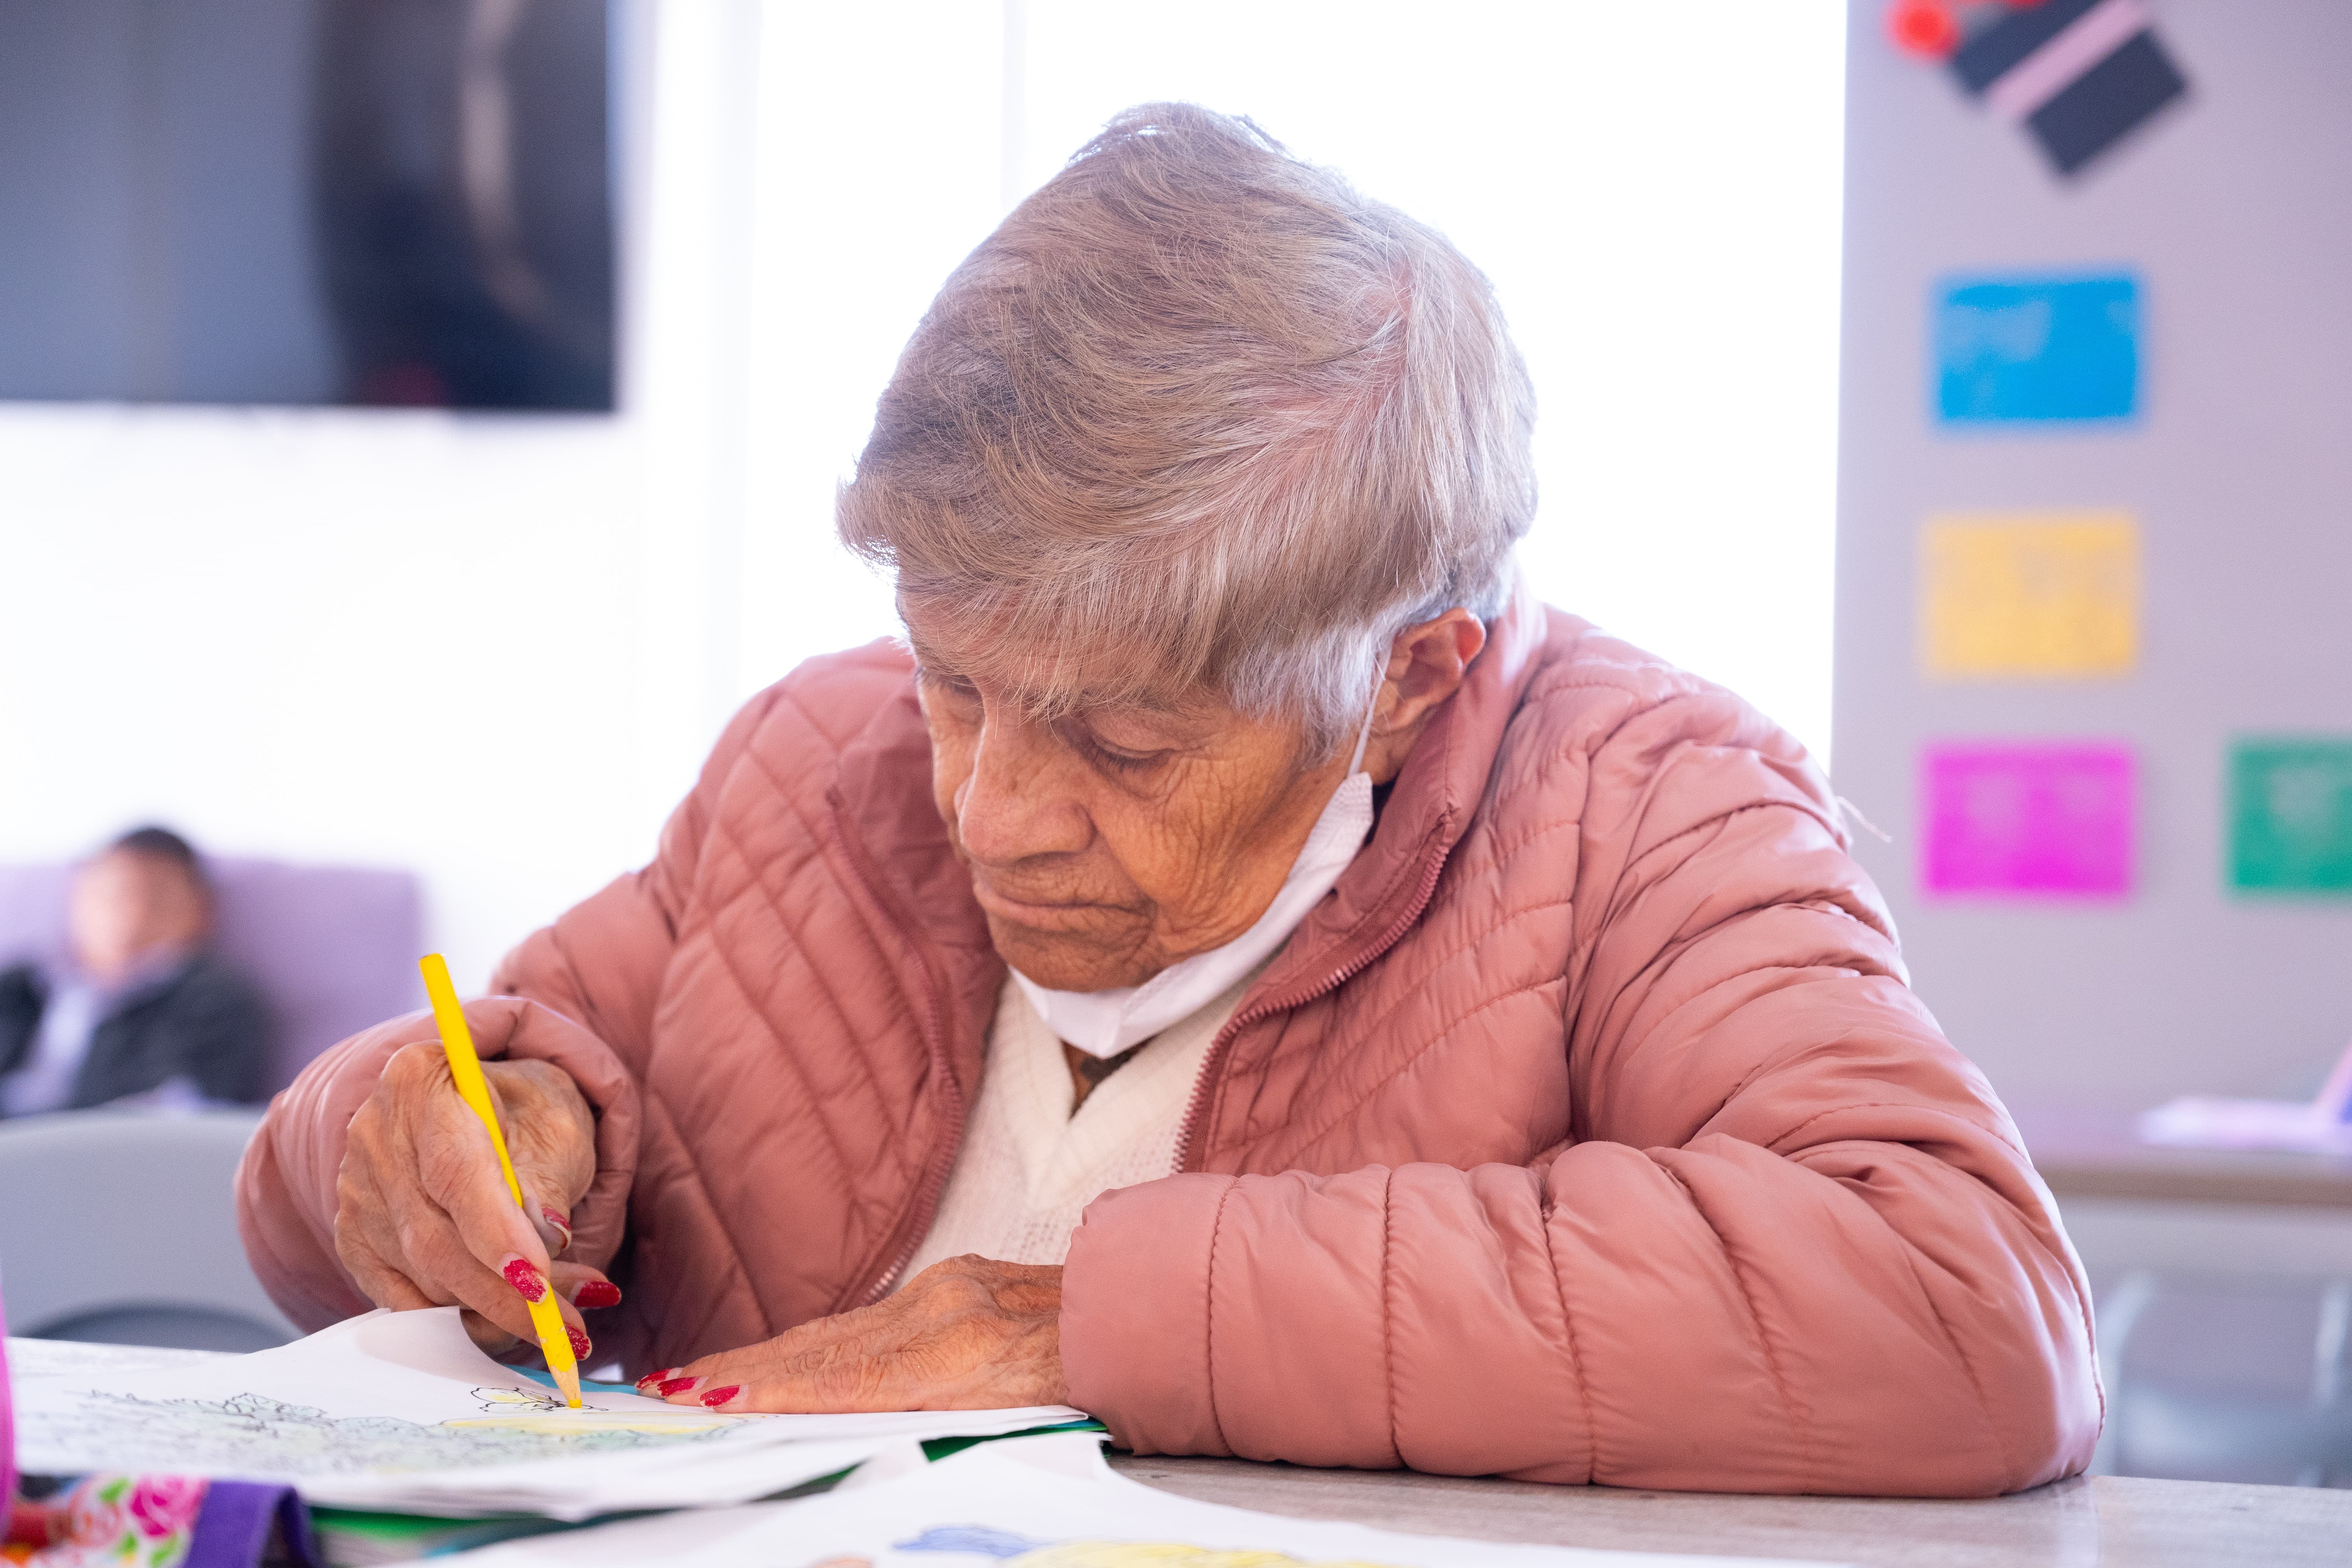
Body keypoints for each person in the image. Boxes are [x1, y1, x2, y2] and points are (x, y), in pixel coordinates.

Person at [237, 106, 2100, 1496]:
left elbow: (1964, 1313)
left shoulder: (1648, 805)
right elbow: (364, 1166)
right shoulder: (823, 756)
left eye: (1123, 746)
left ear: (1411, 677)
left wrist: (1068, 1328)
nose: (990, 808)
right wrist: (427, 1147)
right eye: (953, 679)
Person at [0, 828, 271, 1116]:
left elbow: (184, 1109)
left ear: (201, 912)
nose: (131, 917)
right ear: (78, 898)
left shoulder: (216, 1001)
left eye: (158, 902)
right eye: (114, 896)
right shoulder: (18, 986)